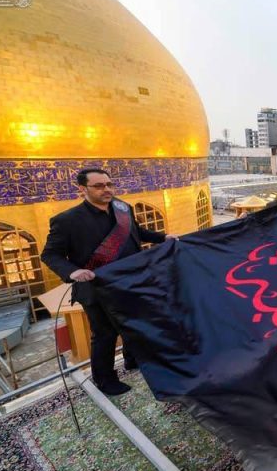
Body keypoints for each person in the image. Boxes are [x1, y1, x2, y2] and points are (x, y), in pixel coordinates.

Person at [41, 168, 178, 396]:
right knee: (105, 335)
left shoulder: (123, 208)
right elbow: (49, 255)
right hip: (96, 288)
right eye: (99, 186)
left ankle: (133, 361)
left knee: (135, 324)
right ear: (82, 189)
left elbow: (138, 232)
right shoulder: (67, 221)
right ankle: (105, 381)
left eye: (109, 184)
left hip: (131, 282)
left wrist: (162, 238)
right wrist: (72, 272)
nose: (107, 189)